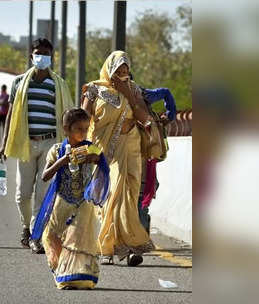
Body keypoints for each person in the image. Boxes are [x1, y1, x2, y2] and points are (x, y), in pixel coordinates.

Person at [0, 38, 75, 254]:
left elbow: (68, 114)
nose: (42, 57)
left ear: (52, 57)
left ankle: (36, 236)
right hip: (26, 143)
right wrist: (3, 144)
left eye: (46, 53)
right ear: (31, 55)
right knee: (23, 193)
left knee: (42, 192)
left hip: (50, 142)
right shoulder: (19, 82)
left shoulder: (59, 84)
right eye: (38, 53)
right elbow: (11, 114)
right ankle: (26, 227)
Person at [81, 51, 155, 266]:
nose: (122, 74)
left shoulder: (133, 89)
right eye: (118, 71)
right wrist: (80, 146)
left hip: (130, 147)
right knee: (111, 193)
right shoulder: (94, 90)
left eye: (126, 71)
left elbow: (144, 117)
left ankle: (129, 247)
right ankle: (106, 246)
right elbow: (83, 118)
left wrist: (127, 93)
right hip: (104, 150)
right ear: (109, 69)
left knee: (129, 195)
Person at [32, 108, 110, 290]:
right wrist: (63, 161)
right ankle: (62, 270)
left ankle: (78, 278)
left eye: (86, 128)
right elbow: (45, 176)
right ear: (66, 129)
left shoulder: (91, 147)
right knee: (51, 236)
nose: (83, 133)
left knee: (78, 238)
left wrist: (97, 160)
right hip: (62, 201)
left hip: (84, 203)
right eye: (78, 129)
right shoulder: (57, 150)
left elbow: (104, 166)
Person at [136, 87, 176, 232]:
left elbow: (165, 92)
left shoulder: (140, 93)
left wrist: (170, 115)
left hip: (145, 151)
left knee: (143, 190)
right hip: (123, 154)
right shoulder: (111, 97)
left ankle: (142, 230)